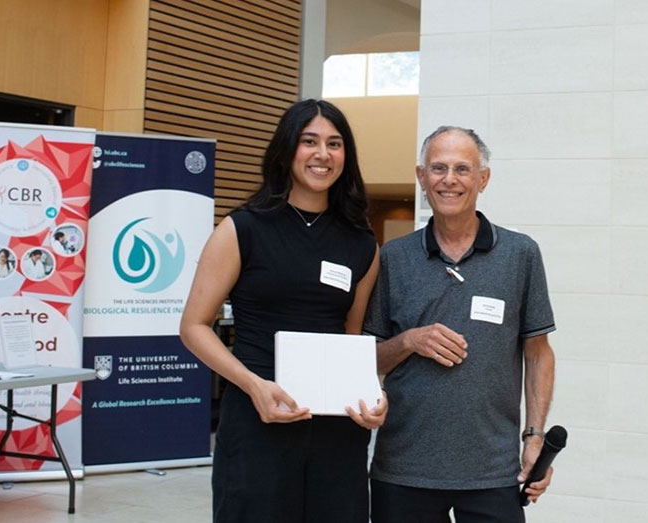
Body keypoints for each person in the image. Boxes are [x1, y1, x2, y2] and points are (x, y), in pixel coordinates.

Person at [180, 99, 387, 523]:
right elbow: (193, 327)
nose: (322, 154)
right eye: (309, 141)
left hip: (335, 425)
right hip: (258, 416)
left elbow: (351, 339)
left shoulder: (363, 243)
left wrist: (371, 395)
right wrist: (254, 385)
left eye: (334, 143)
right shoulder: (243, 228)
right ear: (286, 149)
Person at [364, 126, 557, 523]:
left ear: (482, 179)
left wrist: (534, 438)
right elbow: (369, 359)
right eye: (438, 168)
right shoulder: (393, 258)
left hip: (493, 472)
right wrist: (410, 341)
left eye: (462, 169)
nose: (449, 180)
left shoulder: (521, 255)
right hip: (403, 470)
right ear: (421, 177)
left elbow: (538, 355)